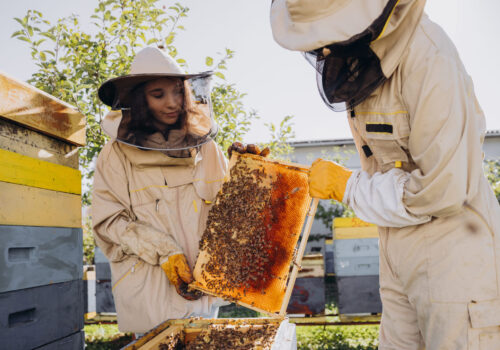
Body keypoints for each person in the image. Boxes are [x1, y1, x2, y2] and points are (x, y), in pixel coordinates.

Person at [270, 0, 500, 349]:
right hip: (397, 248)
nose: (326, 50)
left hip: (455, 257)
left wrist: (347, 187)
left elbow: (444, 189)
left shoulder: (429, 58)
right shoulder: (365, 62)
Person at [92, 47, 229, 333]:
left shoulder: (207, 148)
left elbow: (230, 212)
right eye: (158, 95)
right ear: (140, 100)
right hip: (149, 295)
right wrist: (163, 251)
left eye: (178, 92)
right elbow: (108, 223)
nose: (172, 103)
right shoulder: (114, 155)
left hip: (205, 296)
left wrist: (245, 167)